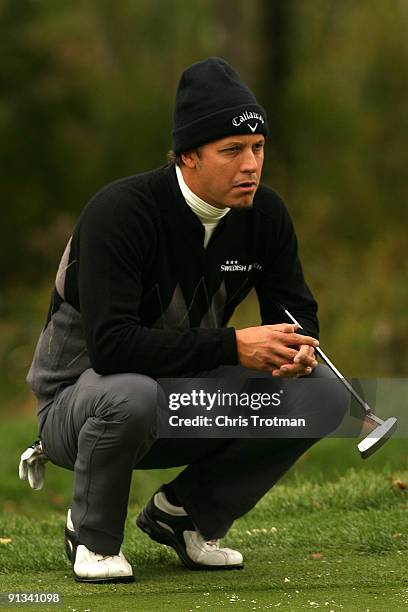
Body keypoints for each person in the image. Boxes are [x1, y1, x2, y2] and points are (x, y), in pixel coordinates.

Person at [25, 57, 349, 583]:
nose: (251, 165)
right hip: (78, 409)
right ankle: (94, 538)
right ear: (188, 157)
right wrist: (233, 347)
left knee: (324, 393)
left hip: (182, 399)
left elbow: (295, 310)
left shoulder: (264, 215)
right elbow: (111, 348)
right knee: (129, 393)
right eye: (232, 151)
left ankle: (186, 516)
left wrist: (298, 348)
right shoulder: (120, 213)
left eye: (258, 148)